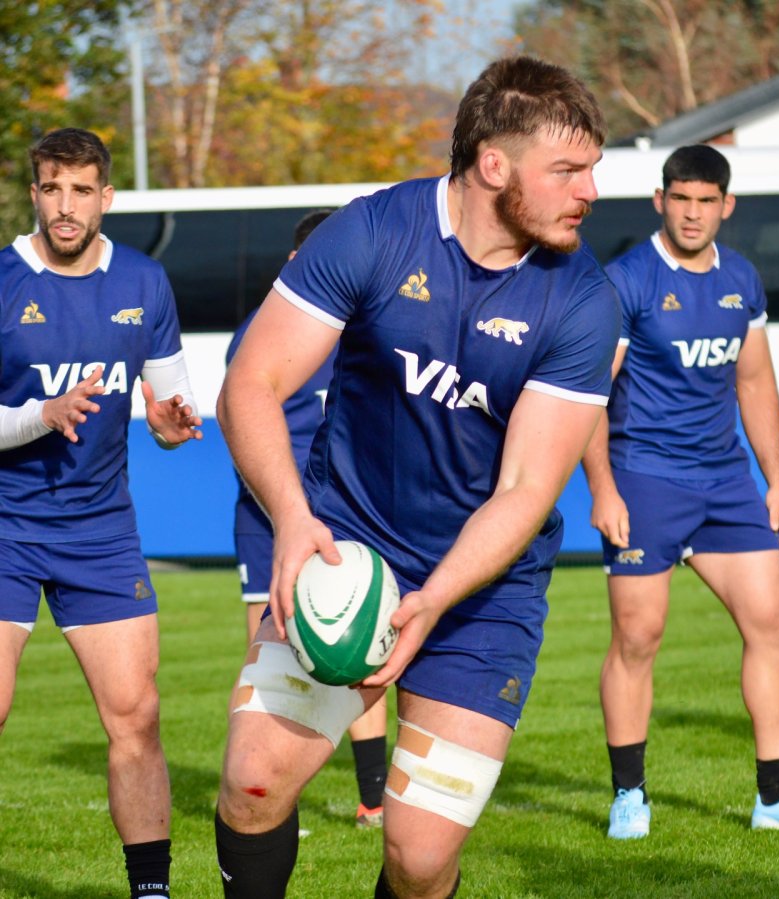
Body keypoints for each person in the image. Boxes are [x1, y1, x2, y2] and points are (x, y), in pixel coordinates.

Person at [214, 55, 620, 899]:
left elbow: (524, 491)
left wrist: (431, 602)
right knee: (253, 783)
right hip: (347, 550)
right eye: (569, 171)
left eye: (593, 169)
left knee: (421, 856)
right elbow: (249, 386)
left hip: (481, 592)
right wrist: (290, 517)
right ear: (494, 165)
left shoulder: (584, 300)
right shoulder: (372, 232)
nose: (591, 189)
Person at [582, 144, 779, 839]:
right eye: (682, 199)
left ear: (726, 206)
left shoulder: (742, 279)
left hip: (727, 481)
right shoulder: (627, 280)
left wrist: (778, 483)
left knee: (773, 623)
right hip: (644, 476)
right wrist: (604, 490)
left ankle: (777, 795)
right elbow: (590, 396)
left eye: (707, 201)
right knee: (638, 636)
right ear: (660, 201)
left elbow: (755, 382)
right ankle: (629, 795)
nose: (694, 212)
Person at [0, 128, 202, 899]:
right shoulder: (3, 282)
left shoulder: (145, 283)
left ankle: (151, 891)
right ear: (35, 194)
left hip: (101, 533)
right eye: (52, 188)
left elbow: (169, 400)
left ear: (105, 197)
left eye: (81, 190)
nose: (65, 205)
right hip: (6, 525)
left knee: (136, 720)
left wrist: (172, 425)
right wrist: (39, 415)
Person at [227, 209, 388, 828]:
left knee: (359, 648)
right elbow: (245, 421)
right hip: (268, 519)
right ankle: (269, 797)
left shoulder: (373, 335)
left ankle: (373, 797)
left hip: (349, 520)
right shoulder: (262, 334)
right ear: (297, 265)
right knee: (267, 663)